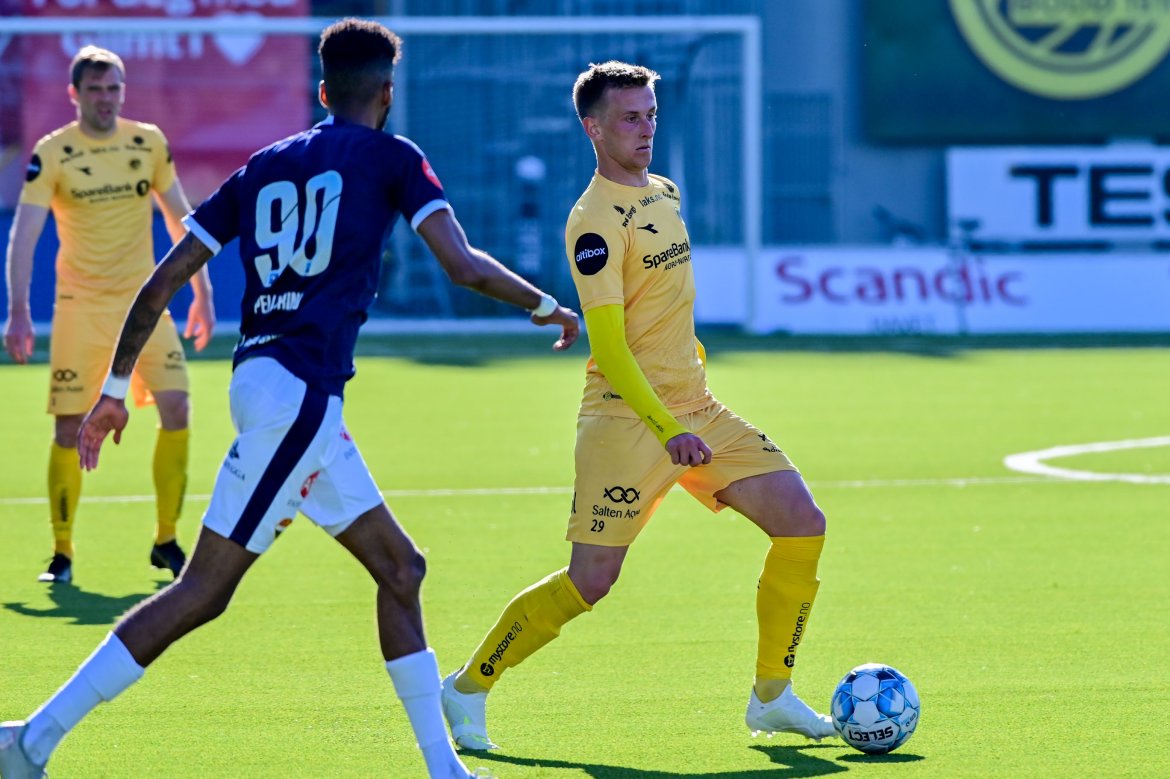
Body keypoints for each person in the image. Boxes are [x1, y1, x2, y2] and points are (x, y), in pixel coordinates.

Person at [0, 18, 578, 779]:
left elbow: (162, 278)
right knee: (204, 590)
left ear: (323, 91)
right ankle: (31, 740)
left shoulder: (264, 164)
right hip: (300, 396)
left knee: (400, 568)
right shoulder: (395, 156)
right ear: (387, 94)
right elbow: (462, 265)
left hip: (270, 384)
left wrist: (113, 389)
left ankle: (445, 770)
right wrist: (547, 305)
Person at [439, 61, 836, 751]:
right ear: (593, 129)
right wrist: (666, 426)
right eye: (630, 117)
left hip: (697, 409)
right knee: (591, 581)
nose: (646, 128)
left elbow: (668, 309)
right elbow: (610, 347)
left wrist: (689, 390)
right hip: (626, 421)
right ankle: (468, 686)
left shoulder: (665, 193)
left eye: (651, 114)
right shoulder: (592, 222)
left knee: (802, 522)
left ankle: (772, 694)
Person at [3, 45, 215, 584]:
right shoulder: (53, 153)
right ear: (74, 95)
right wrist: (18, 309)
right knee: (68, 427)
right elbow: (25, 233)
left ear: (124, 91)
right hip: (81, 308)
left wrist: (203, 293)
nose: (106, 98)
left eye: (114, 88)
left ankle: (166, 540)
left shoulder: (148, 142)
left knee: (178, 408)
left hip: (145, 306)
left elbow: (182, 220)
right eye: (95, 89)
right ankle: (62, 552)